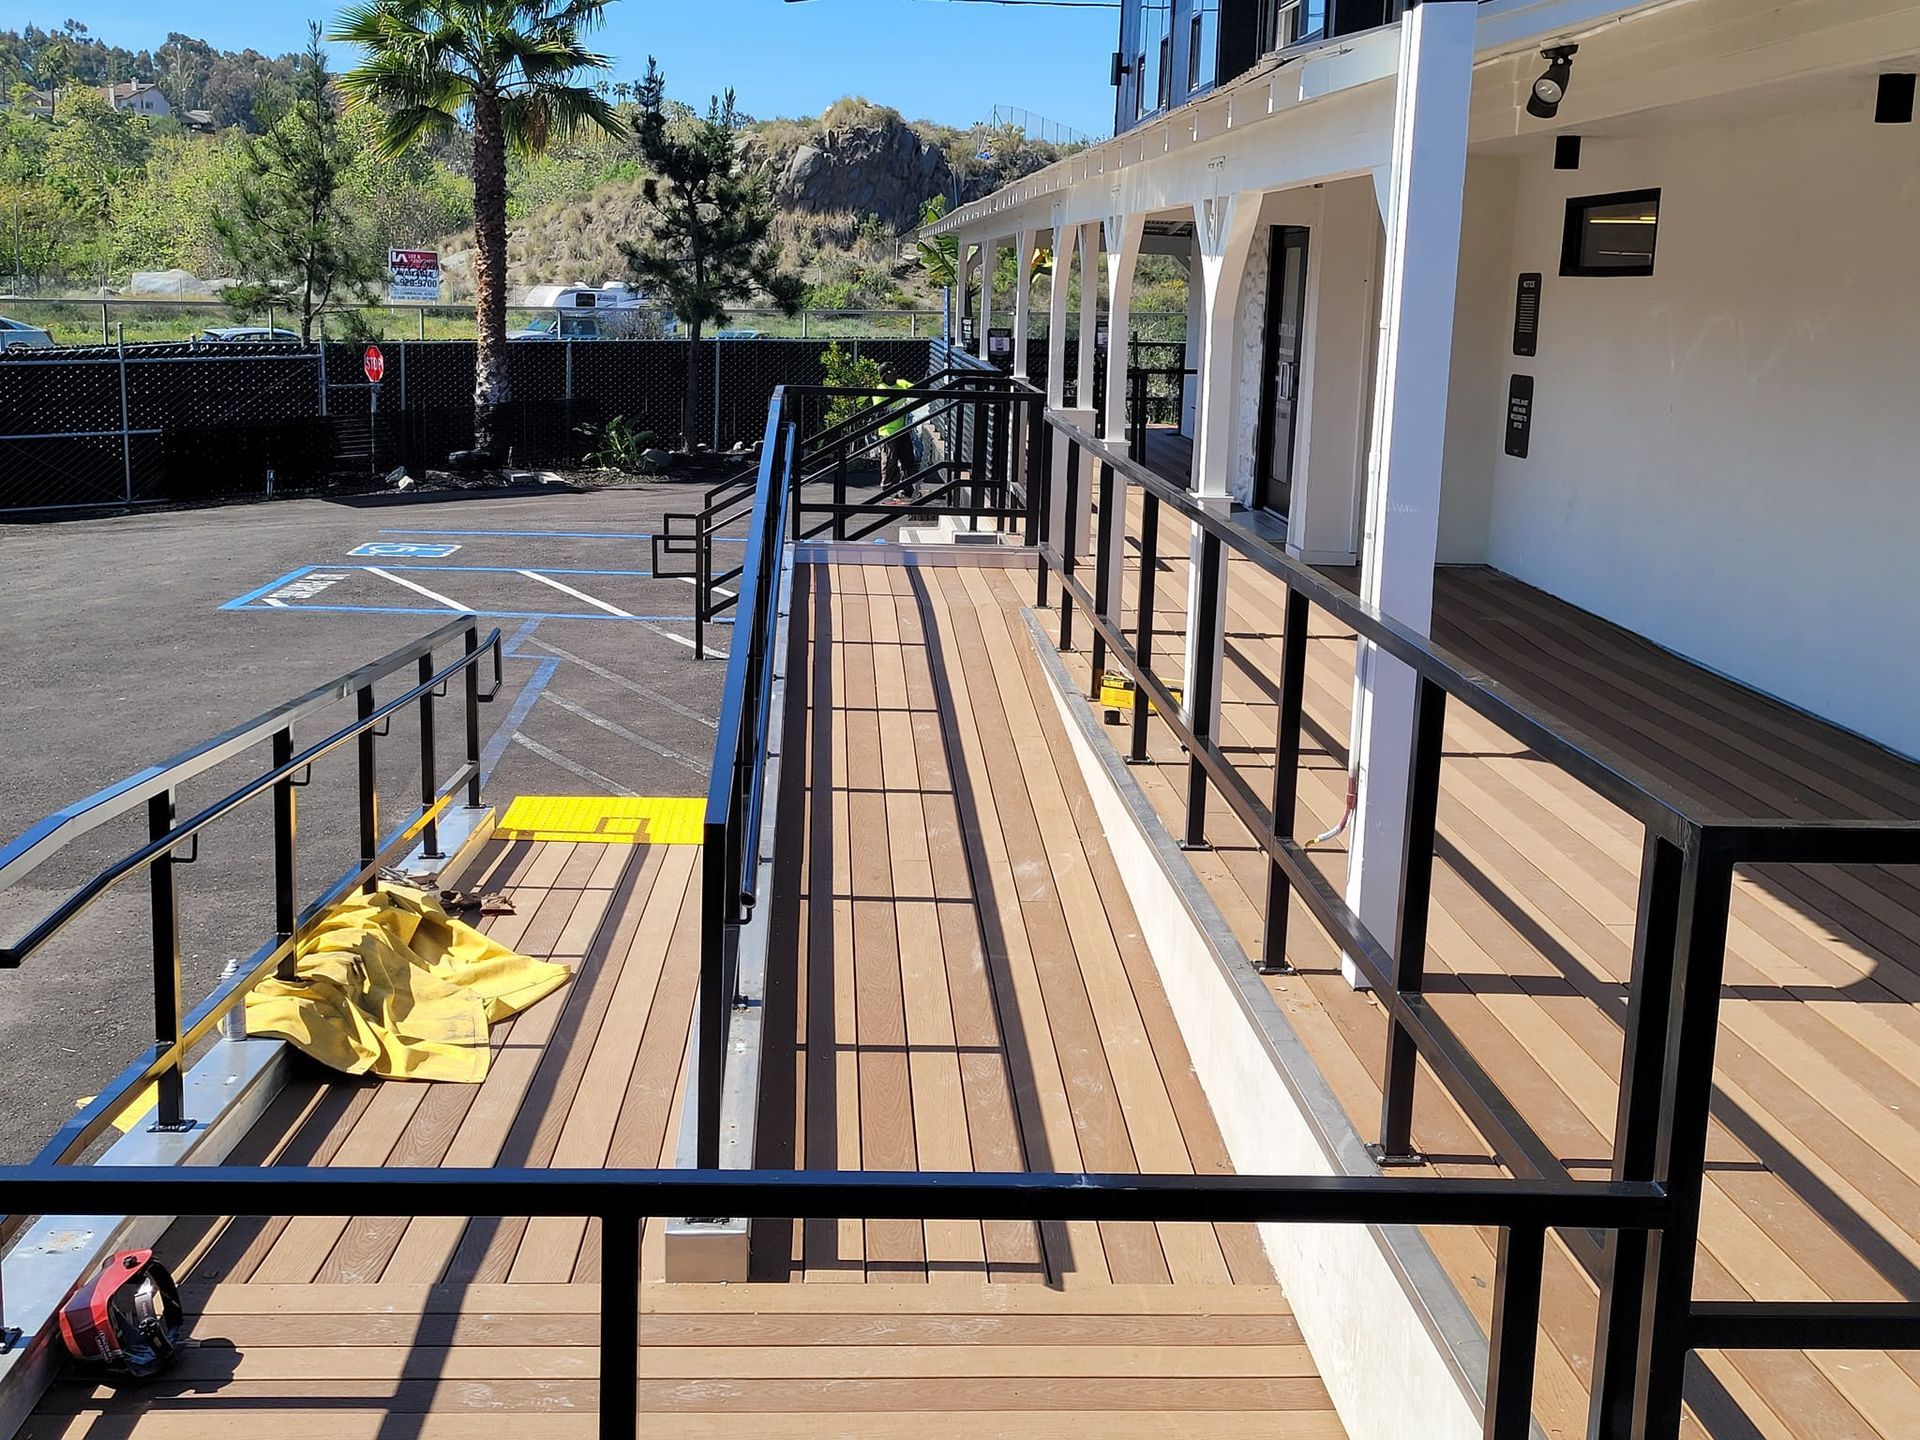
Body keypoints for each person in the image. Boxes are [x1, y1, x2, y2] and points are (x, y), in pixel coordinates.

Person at [875, 365, 918, 498]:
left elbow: (915, 388)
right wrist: (901, 408)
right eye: (890, 372)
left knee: (907, 458)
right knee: (890, 459)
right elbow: (882, 412)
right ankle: (887, 486)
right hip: (888, 431)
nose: (894, 373)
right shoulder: (881, 389)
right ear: (884, 376)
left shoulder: (901, 383)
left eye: (894, 370)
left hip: (903, 428)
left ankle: (907, 486)